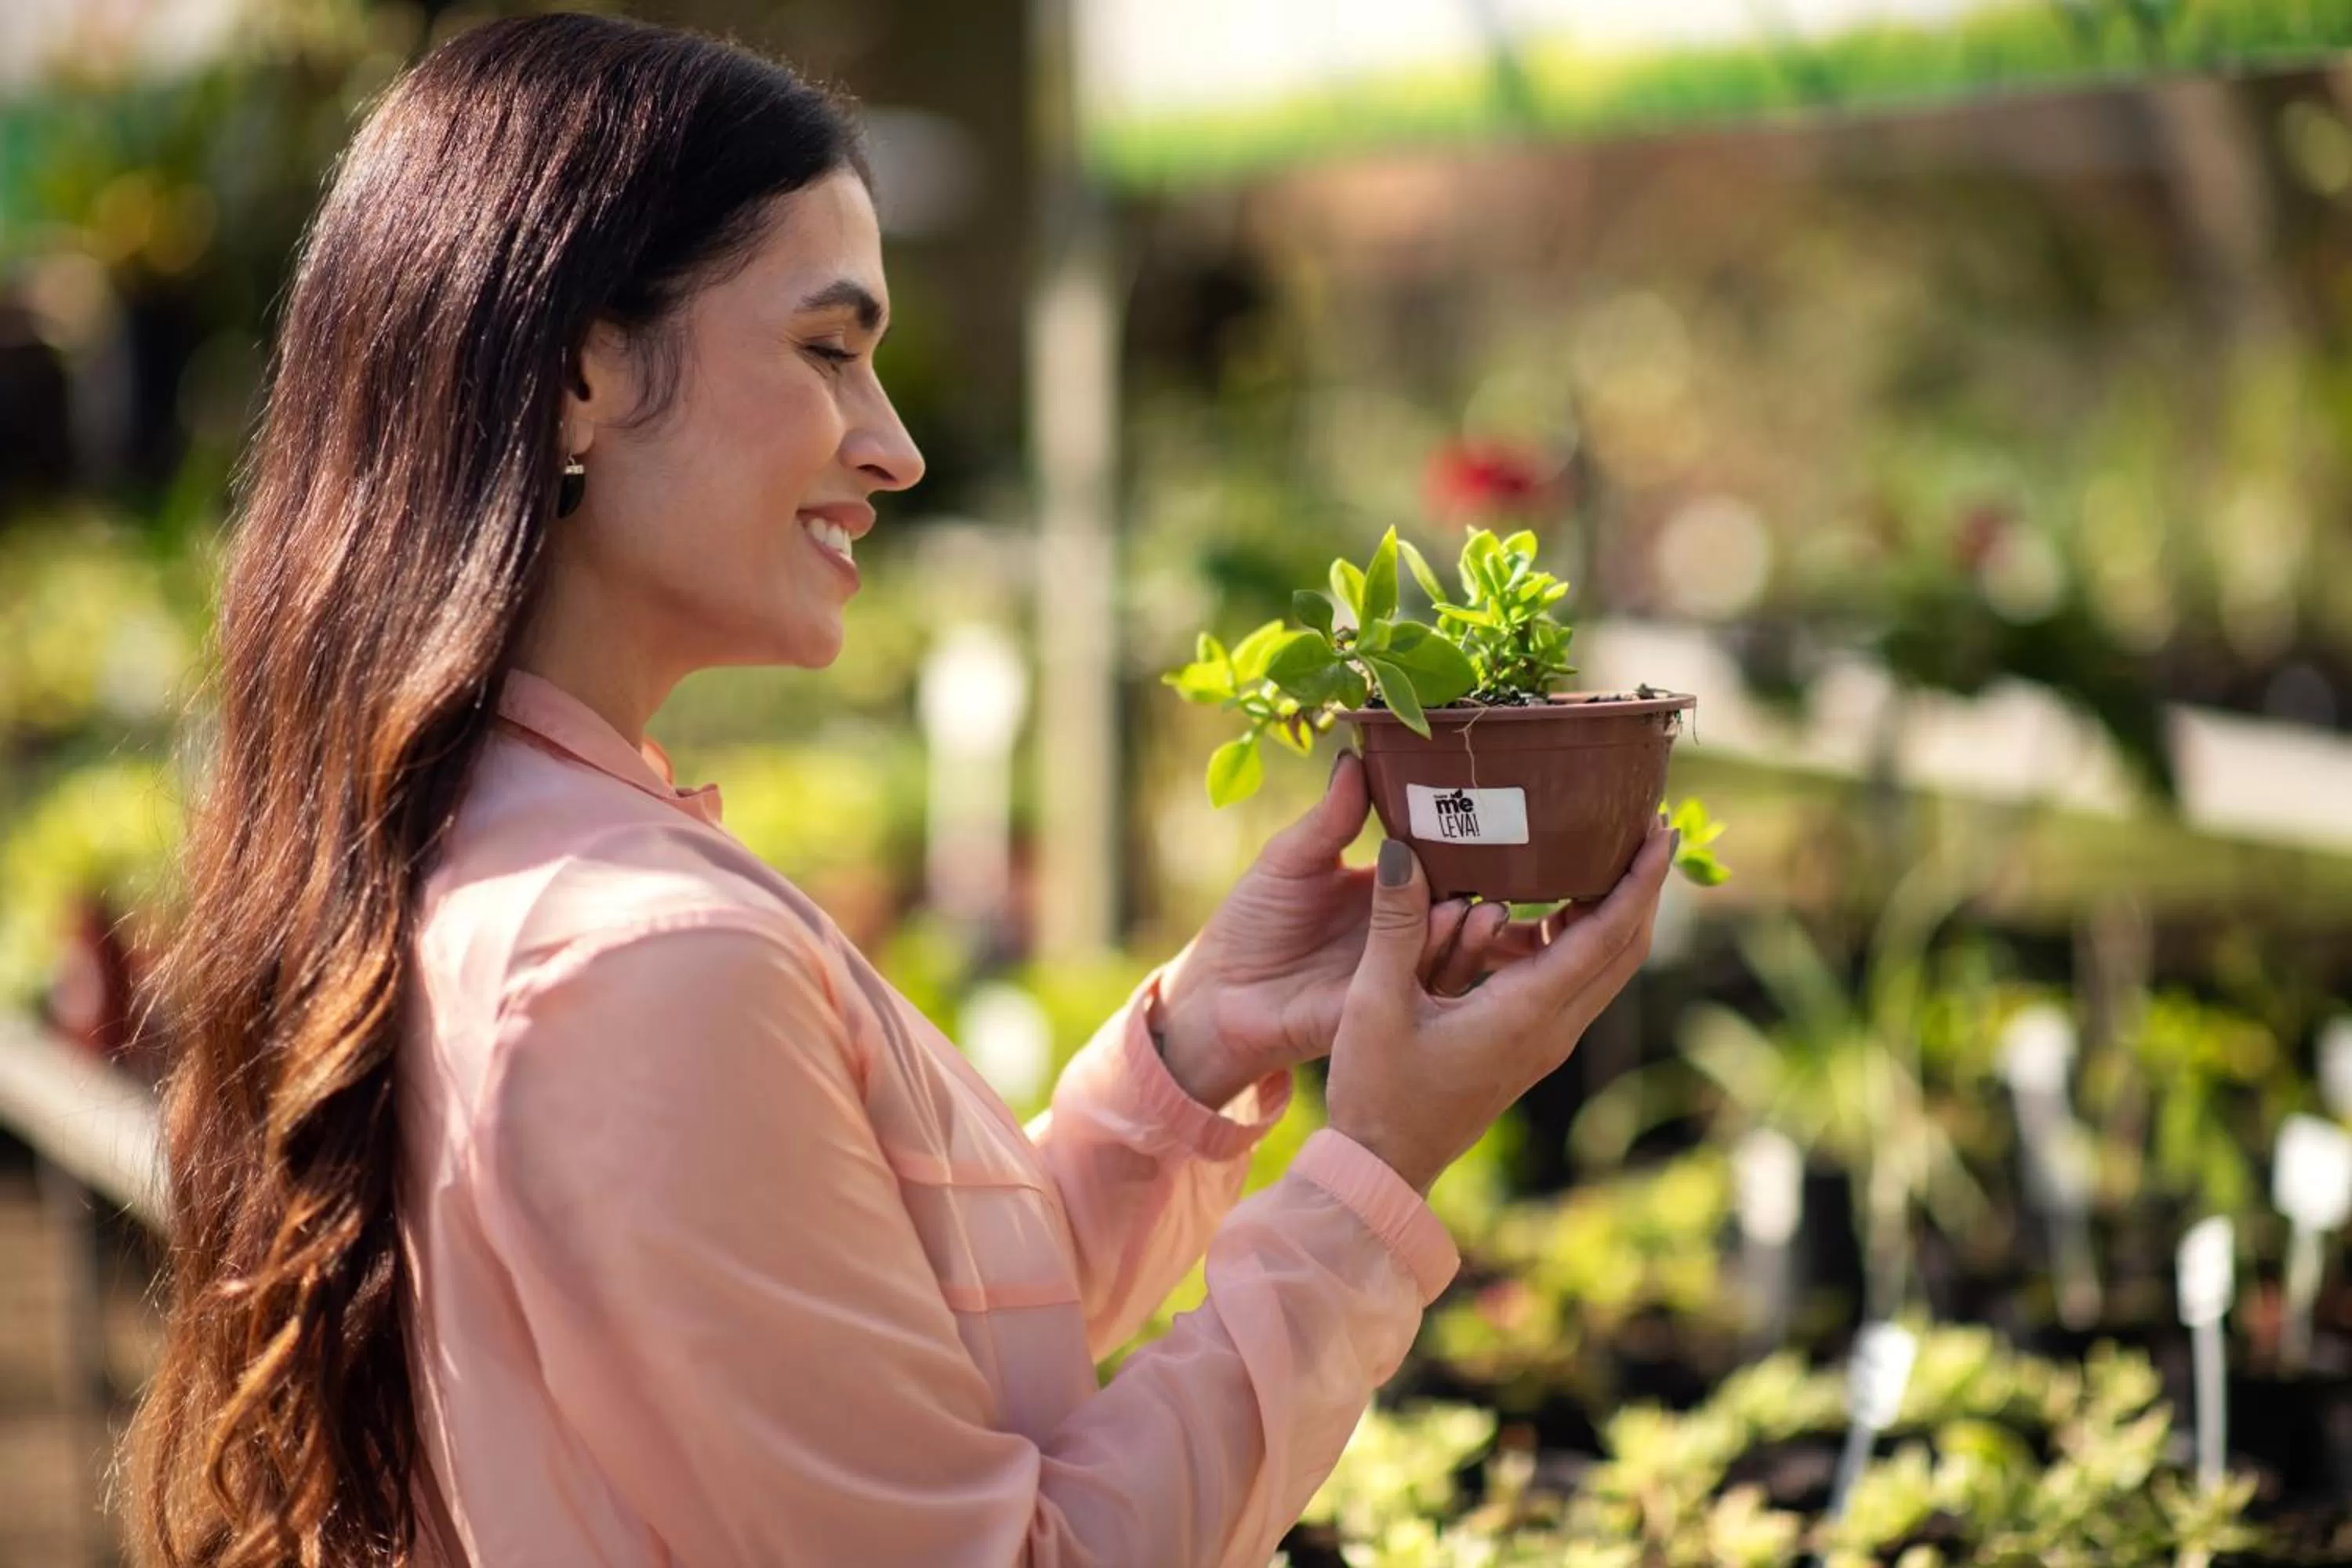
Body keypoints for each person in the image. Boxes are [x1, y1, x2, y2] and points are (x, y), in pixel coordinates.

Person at [123, 14, 1675, 1567]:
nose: (899, 448)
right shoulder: (637, 961)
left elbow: (891, 1346)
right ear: (581, 373)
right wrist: (1375, 1172)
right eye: (827, 350)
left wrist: (1198, 1049)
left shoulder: (520, 847)